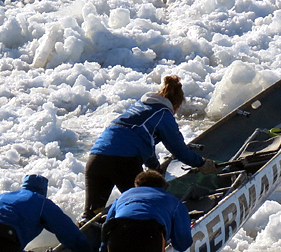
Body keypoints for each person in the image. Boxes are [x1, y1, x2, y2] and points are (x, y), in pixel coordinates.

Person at [82, 75, 217, 222]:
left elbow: (140, 141)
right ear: (176, 105)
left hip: (96, 158)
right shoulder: (163, 114)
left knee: (91, 215)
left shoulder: (138, 107)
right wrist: (202, 163)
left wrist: (154, 167)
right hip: (122, 162)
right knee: (142, 208)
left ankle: (82, 239)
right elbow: (180, 151)